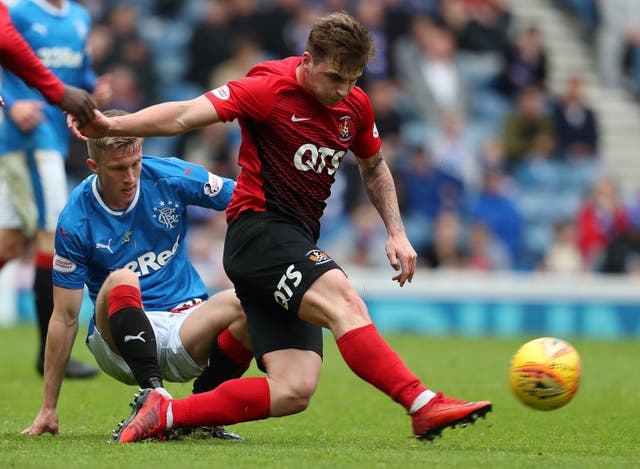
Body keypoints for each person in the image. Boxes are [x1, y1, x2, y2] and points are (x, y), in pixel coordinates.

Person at [71, 12, 491, 443]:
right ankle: (421, 403)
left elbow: (375, 167)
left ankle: (169, 413)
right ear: (308, 60)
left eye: (353, 79)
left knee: (295, 389)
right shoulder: (266, 88)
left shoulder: (355, 105)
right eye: (334, 78)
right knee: (344, 299)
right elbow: (183, 115)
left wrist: (396, 232)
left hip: (295, 240)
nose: (343, 90)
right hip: (259, 233)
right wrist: (111, 124)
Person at [22, 110, 252, 439]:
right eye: (118, 169)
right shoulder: (76, 219)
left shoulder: (171, 176)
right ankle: (153, 397)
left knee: (250, 302)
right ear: (94, 167)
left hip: (184, 323)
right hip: (118, 342)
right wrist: (48, 407)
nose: (130, 177)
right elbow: (66, 317)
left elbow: (245, 199)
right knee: (121, 279)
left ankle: (202, 411)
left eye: (136, 164)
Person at [0, 0, 112, 379]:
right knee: (53, 236)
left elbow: (79, 73)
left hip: (54, 135)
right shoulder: (17, 11)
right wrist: (10, 105)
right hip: (27, 136)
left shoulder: (80, 18)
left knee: (11, 242)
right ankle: (47, 354)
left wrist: (96, 86)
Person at [0, 1, 95, 125]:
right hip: (32, 117)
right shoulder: (17, 12)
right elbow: (7, 50)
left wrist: (93, 86)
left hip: (65, 116)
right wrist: (12, 103)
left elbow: (82, 66)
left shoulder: (81, 15)